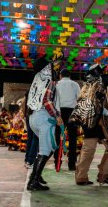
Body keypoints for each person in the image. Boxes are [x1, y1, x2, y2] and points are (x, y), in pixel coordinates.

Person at [71, 64, 108, 186]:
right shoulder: (98, 86)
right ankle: (103, 174)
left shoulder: (85, 87)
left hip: (88, 124)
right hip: (99, 123)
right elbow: (98, 106)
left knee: (88, 150)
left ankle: (82, 177)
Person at [26, 54, 64, 191]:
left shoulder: (38, 80)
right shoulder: (50, 80)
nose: (57, 66)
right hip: (44, 118)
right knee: (46, 150)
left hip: (34, 118)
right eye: (54, 64)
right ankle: (33, 181)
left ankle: (37, 175)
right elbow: (47, 100)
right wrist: (57, 116)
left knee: (48, 149)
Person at [54, 68, 80, 171]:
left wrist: (57, 115)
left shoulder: (56, 84)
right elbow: (79, 99)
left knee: (57, 138)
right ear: (70, 76)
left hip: (59, 112)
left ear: (60, 75)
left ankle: (57, 163)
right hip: (72, 112)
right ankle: (72, 165)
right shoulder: (75, 84)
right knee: (73, 138)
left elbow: (55, 100)